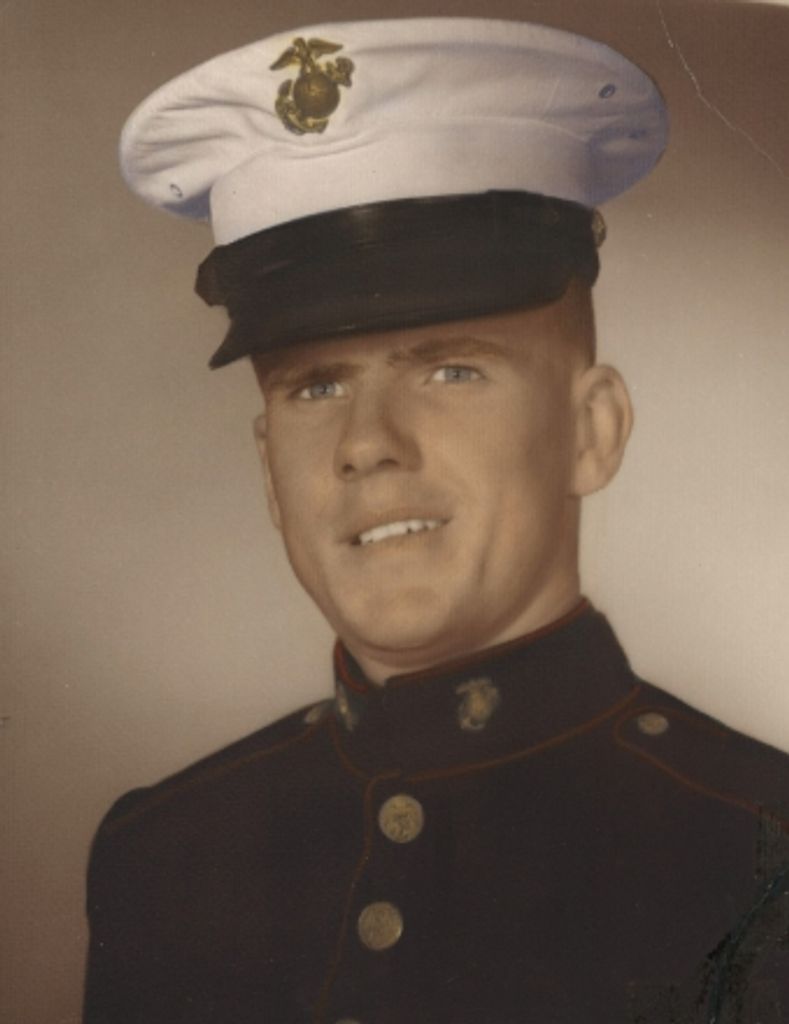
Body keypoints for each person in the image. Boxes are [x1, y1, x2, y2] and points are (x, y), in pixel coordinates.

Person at [83, 18, 789, 1024]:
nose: (367, 443)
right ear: (269, 471)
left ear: (591, 432)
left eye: (451, 370)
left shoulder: (763, 854)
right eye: (315, 385)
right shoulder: (162, 855)